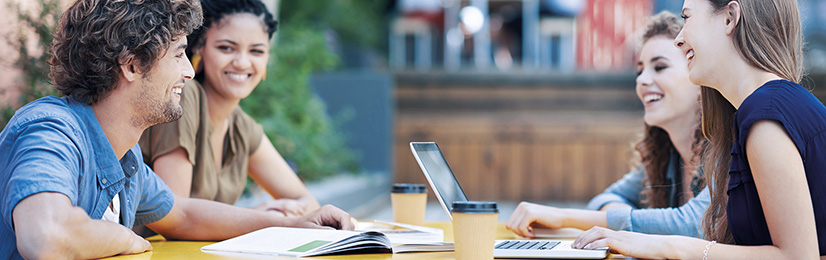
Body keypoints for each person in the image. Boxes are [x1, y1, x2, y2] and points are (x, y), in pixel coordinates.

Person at [0, 0, 352, 259]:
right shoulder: (51, 131)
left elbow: (182, 214)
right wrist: (125, 238)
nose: (188, 70)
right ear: (133, 64)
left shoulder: (127, 157)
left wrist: (293, 224)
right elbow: (45, 236)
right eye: (178, 54)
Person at [573, 0, 826, 259]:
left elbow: (797, 257)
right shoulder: (763, 107)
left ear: (729, 18)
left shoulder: (765, 114)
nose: (679, 40)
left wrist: (669, 246)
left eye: (687, 18)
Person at [506, 11, 710, 238]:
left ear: (699, 77)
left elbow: (695, 224)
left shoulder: (728, 147)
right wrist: (624, 221)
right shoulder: (664, 155)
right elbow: (602, 201)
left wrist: (565, 217)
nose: (641, 80)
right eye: (640, 70)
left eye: (659, 67)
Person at [138, 0, 317, 217]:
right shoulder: (184, 97)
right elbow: (174, 215)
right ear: (198, 50)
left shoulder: (241, 126)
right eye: (226, 48)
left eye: (257, 51)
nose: (242, 62)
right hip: (145, 249)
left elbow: (307, 202)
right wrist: (255, 215)